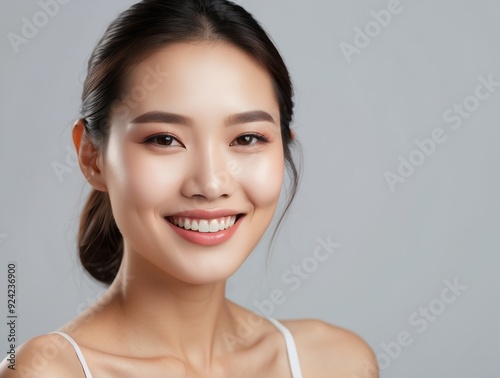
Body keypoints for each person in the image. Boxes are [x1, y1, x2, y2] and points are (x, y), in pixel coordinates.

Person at [0, 1, 378, 376]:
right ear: (91, 156)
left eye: (246, 138)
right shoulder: (45, 372)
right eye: (164, 139)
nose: (211, 183)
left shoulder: (335, 363)